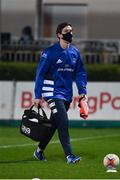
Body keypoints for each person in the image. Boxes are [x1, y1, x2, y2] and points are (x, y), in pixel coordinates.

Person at [33, 22, 88, 164]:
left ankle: (39, 151)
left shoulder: (74, 52)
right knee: (63, 121)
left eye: (71, 30)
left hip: (66, 94)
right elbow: (40, 74)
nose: (70, 33)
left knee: (54, 124)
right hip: (52, 92)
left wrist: (82, 91)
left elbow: (80, 73)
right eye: (66, 31)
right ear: (59, 34)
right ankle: (70, 156)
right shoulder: (49, 52)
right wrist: (37, 95)